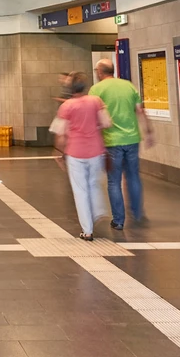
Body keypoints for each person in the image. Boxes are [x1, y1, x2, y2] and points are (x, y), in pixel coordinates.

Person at [90, 58, 152, 230]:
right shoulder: (129, 86)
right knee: (133, 176)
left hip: (111, 141)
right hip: (132, 139)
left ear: (100, 72)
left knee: (113, 181)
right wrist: (149, 131)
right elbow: (140, 110)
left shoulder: (96, 89)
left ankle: (118, 220)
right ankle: (137, 213)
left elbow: (93, 116)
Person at [52, 72, 113, 241]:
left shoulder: (66, 106)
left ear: (70, 88)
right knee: (94, 184)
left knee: (80, 190)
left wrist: (59, 152)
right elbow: (107, 122)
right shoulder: (95, 101)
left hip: (75, 153)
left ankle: (87, 230)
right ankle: (99, 211)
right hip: (96, 151)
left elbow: (60, 133)